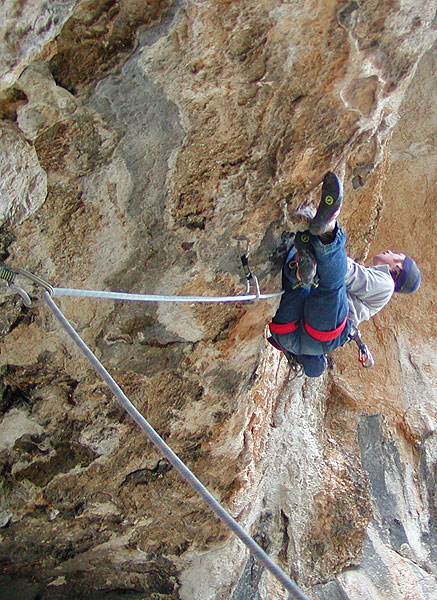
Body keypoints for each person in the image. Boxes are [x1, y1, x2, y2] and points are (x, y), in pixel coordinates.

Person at [268, 172, 421, 377]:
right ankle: (299, 270)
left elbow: (347, 274)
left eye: (397, 256)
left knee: (331, 285)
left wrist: (324, 253)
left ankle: (329, 230)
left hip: (318, 329)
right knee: (302, 285)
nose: (390, 252)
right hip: (290, 334)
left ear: (397, 269)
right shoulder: (379, 289)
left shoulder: (385, 283)